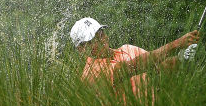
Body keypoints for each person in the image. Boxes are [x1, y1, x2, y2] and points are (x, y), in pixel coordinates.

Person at [70, 17, 199, 96]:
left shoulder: (128, 49)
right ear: (81, 49)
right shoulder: (91, 74)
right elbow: (133, 67)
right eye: (92, 39)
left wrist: (181, 58)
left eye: (101, 34)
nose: (101, 40)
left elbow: (161, 68)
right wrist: (175, 45)